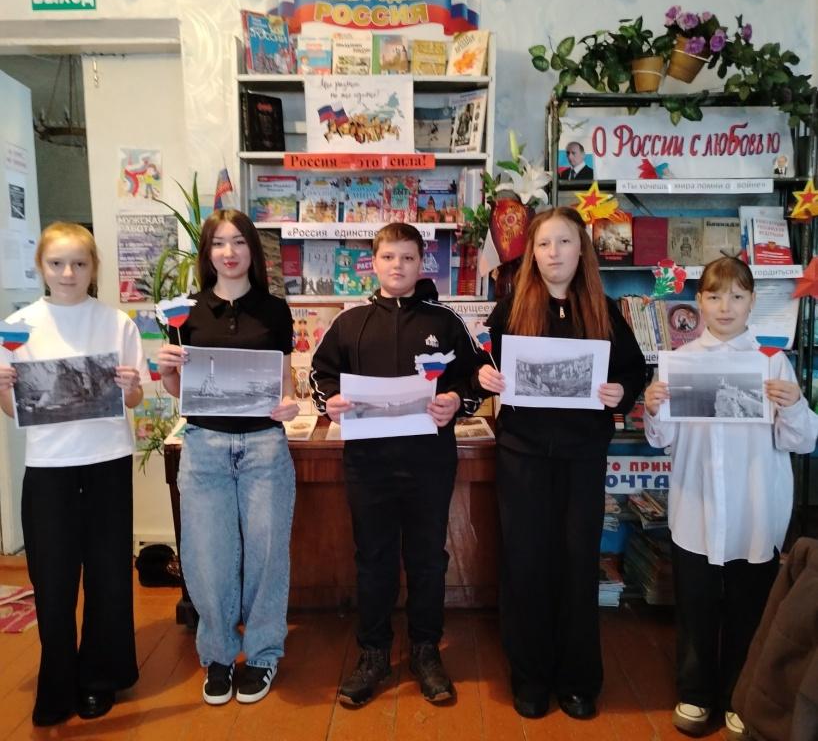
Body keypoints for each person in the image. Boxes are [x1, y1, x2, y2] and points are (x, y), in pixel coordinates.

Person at [476, 206, 646, 721]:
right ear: (532, 253)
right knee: (526, 562)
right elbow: (480, 360)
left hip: (581, 456)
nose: (554, 253)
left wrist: (620, 393)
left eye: (565, 242)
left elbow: (633, 371)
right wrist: (484, 377)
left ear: (581, 250)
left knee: (576, 562)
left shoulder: (602, 309)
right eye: (544, 243)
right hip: (523, 455)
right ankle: (529, 677)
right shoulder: (511, 307)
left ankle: (577, 680)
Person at [643, 256, 818, 739]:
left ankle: (740, 695)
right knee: (695, 604)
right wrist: (653, 408)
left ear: (752, 302)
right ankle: (694, 693)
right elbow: (662, 439)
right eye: (715, 296)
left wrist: (795, 406)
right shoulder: (680, 363)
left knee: (750, 606)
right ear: (699, 302)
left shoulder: (772, 362)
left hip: (755, 507)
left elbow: (802, 441)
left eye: (737, 296)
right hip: (695, 505)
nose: (726, 307)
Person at [310, 222, 483, 707]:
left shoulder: (445, 321)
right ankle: (374, 653)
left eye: (408, 257)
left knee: (428, 558)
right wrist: (331, 402)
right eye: (389, 257)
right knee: (373, 558)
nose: (398, 266)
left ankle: (426, 651)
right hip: (368, 464)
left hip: (429, 461)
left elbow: (475, 376)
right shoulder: (351, 322)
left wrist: (456, 401)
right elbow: (320, 375)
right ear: (374, 262)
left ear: (422, 263)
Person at [0, 222, 148, 727]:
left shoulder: (116, 323)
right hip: (48, 467)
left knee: (109, 574)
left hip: (108, 461)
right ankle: (57, 682)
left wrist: (130, 386)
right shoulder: (17, 328)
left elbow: (135, 398)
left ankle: (100, 679)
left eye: (79, 264)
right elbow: (12, 410)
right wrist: (3, 388)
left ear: (93, 268)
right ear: (41, 267)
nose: (68, 273)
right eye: (57, 263)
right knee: (53, 579)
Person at [156, 208, 299, 706]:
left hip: (264, 445)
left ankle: (262, 653)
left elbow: (286, 381)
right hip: (205, 446)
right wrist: (166, 371)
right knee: (207, 556)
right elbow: (180, 390)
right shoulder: (185, 313)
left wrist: (290, 403)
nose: (230, 252)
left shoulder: (275, 310)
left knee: (267, 555)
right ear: (208, 252)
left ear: (252, 251)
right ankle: (217, 654)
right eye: (219, 242)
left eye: (239, 241)